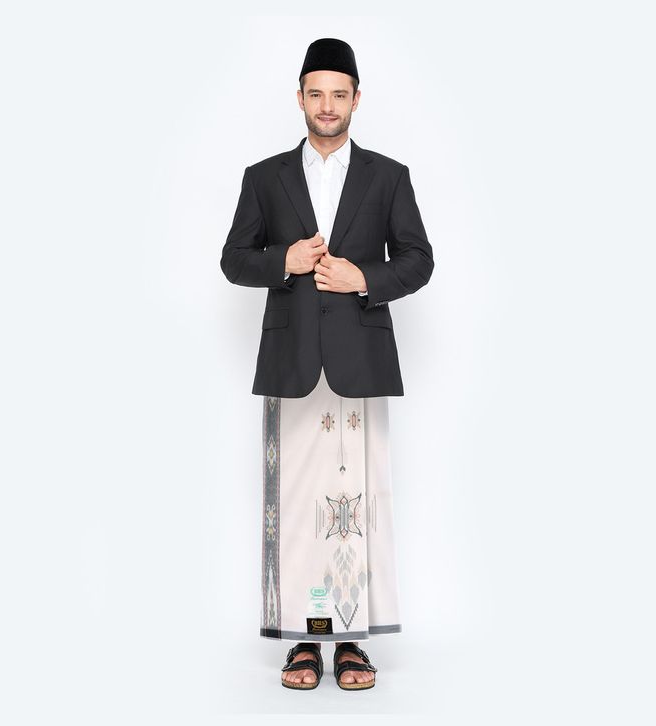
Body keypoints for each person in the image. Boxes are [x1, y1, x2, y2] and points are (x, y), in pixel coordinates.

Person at [220, 38, 434, 691]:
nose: (328, 105)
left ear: (356, 99)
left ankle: (351, 643)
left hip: (359, 362)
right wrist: (282, 262)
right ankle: (304, 641)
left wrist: (361, 278)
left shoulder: (388, 176)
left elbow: (418, 260)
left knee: (355, 504)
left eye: (339, 94)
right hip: (292, 363)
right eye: (316, 93)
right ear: (300, 99)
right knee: (295, 503)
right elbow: (234, 259)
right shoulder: (264, 177)